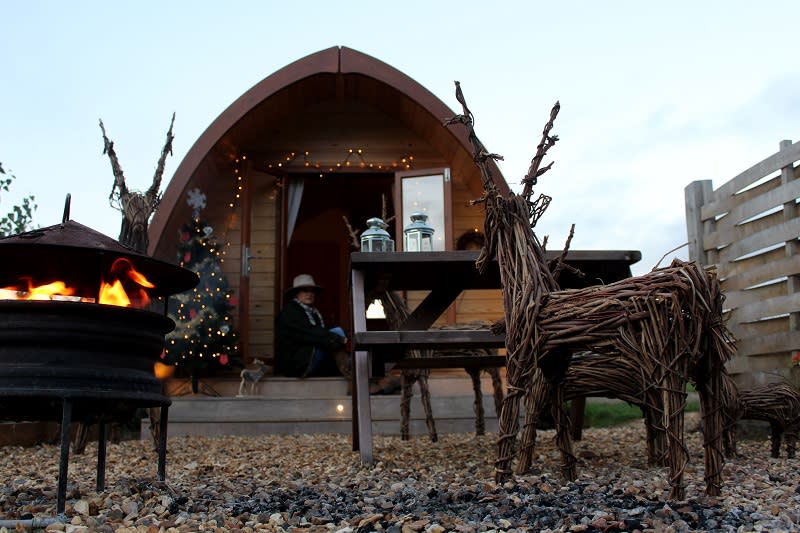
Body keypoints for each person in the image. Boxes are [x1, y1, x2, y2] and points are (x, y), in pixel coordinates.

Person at [275, 274, 350, 378]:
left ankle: (352, 375)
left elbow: (319, 333)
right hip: (295, 365)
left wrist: (341, 338)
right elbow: (311, 334)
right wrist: (341, 339)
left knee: (335, 335)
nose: (309, 294)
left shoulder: (313, 312)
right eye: (305, 290)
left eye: (312, 291)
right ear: (297, 294)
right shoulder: (291, 312)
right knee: (336, 333)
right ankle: (353, 376)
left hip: (306, 357)